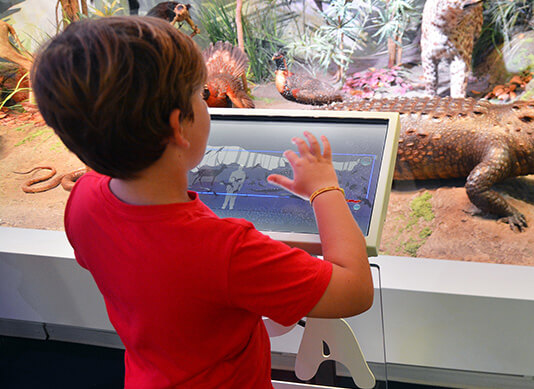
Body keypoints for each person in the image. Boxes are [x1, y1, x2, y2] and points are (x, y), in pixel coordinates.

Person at [31, 16, 373, 388]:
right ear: (179, 126)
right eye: (202, 93)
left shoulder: (83, 200)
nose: (207, 100)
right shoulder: (227, 250)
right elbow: (354, 290)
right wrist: (325, 188)